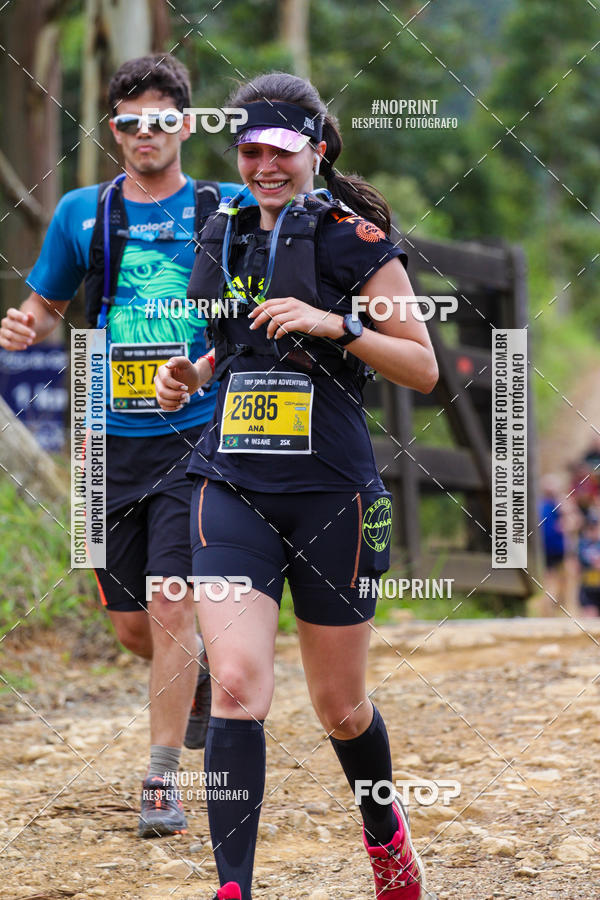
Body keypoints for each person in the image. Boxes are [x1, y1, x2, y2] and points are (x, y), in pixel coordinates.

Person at [155, 72, 438, 900]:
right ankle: (233, 888)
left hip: (331, 495)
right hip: (231, 484)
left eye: (280, 150)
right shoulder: (224, 232)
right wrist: (191, 372)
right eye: (250, 150)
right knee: (237, 684)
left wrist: (337, 324)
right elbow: (234, 344)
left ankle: (384, 831)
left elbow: (422, 366)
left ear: (315, 149)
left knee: (339, 706)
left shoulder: (354, 239)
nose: (264, 166)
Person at [0, 53, 251, 839]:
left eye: (163, 119)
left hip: (197, 435)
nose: (148, 133)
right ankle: (194, 676)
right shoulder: (84, 211)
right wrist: (25, 325)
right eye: (133, 122)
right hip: (104, 440)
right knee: (135, 628)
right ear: (114, 131)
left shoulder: (227, 206)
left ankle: (161, 778)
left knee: (173, 600)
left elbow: (288, 252)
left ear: (186, 125)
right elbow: (45, 303)